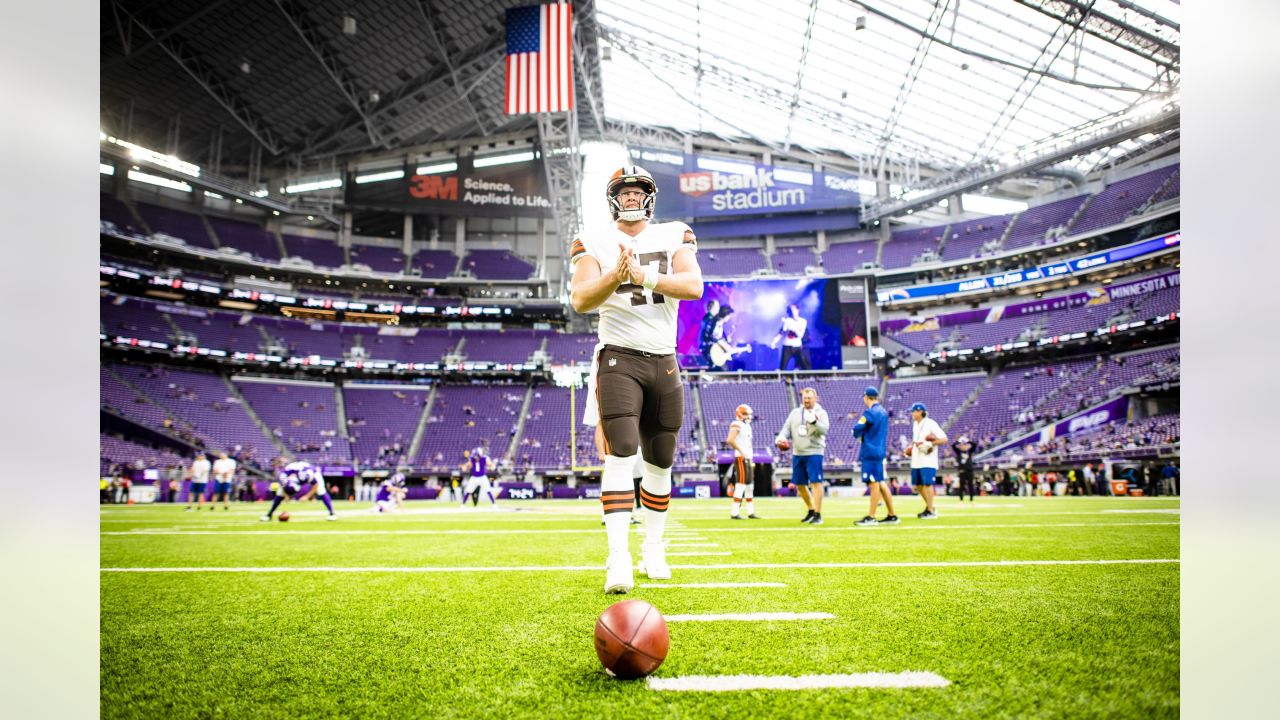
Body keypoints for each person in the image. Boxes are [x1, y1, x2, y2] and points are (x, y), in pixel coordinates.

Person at [569, 165, 703, 594]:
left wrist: (643, 275)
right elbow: (579, 299)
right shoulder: (592, 239)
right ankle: (618, 556)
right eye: (623, 192)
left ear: (648, 195)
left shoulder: (675, 232)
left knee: (660, 459)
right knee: (621, 454)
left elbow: (694, 285)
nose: (630, 197)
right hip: (618, 359)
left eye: (637, 191)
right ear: (613, 198)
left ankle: (654, 546)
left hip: (664, 360)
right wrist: (614, 274)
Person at [775, 387, 831, 524]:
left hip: (814, 452)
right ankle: (811, 510)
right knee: (800, 484)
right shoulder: (795, 412)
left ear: (815, 398)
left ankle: (818, 514)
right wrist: (781, 438)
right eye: (804, 398)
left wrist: (814, 422)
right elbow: (786, 428)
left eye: (809, 398)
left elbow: (824, 430)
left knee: (816, 483)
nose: (806, 400)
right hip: (798, 453)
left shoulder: (821, 413)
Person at [852, 386, 896, 525]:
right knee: (881, 482)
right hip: (880, 450)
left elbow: (856, 429)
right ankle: (892, 515)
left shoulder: (869, 413)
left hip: (870, 452)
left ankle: (871, 516)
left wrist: (861, 436)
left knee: (873, 483)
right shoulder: (883, 412)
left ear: (866, 397)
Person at [260, 460, 337, 521]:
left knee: (321, 491)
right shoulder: (283, 477)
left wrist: (307, 496)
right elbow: (283, 486)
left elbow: (315, 485)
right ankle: (269, 515)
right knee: (280, 493)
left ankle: (332, 513)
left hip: (313, 472)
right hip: (293, 474)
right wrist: (286, 495)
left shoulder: (305, 476)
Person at [909, 404, 948, 518]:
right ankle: (930, 507)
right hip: (917, 460)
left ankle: (931, 510)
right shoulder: (915, 424)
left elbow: (944, 439)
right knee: (918, 484)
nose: (912, 413)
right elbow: (917, 441)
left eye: (913, 411)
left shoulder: (930, 423)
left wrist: (930, 443)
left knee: (927, 484)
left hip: (928, 460)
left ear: (920, 411)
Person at [726, 404, 760, 520]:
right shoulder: (737, 424)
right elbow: (730, 440)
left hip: (748, 458)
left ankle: (750, 512)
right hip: (741, 458)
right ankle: (734, 513)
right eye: (746, 413)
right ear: (740, 414)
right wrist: (741, 451)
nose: (749, 416)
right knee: (740, 484)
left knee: (750, 485)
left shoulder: (747, 426)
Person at [769, 304, 811, 371]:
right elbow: (781, 332)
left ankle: (807, 378)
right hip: (787, 346)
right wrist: (774, 341)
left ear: (798, 310)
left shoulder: (803, 321)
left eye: (793, 310)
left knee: (804, 364)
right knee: (783, 366)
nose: (792, 312)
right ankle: (781, 379)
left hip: (797, 346)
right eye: (790, 310)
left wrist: (793, 328)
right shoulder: (787, 321)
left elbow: (801, 335)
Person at [950, 433, 976, 505]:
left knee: (971, 485)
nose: (964, 446)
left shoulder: (969, 452)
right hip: (962, 471)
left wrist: (967, 441)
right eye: (962, 445)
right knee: (961, 486)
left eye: (965, 445)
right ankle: (961, 500)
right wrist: (959, 441)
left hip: (970, 471)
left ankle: (971, 500)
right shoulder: (959, 453)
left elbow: (974, 445)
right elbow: (953, 446)